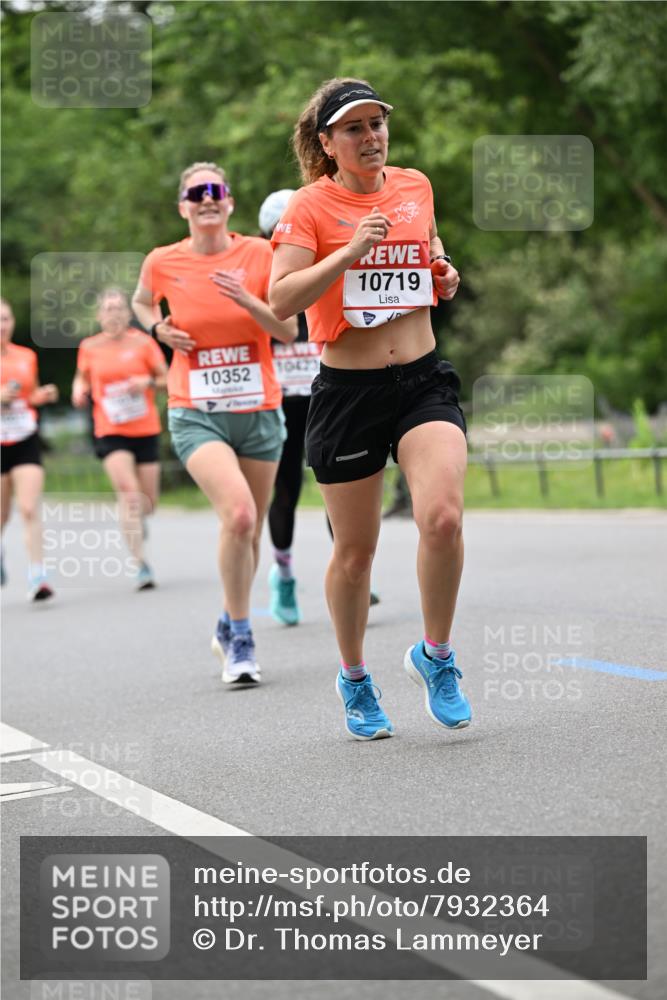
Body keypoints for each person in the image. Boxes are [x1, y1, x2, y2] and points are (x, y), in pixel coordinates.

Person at [269, 78, 471, 740]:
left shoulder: (415, 186)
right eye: (353, 128)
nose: (370, 136)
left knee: (442, 517)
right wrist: (349, 251)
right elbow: (281, 300)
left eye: (376, 122)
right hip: (348, 393)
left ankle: (436, 655)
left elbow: (431, 249)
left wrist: (443, 271)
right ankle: (354, 677)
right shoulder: (309, 206)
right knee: (355, 554)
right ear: (327, 143)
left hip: (421, 380)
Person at [132, 162, 297, 685]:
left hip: (259, 410)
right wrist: (157, 329)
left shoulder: (259, 254)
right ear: (183, 206)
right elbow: (141, 301)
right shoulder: (163, 261)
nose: (206, 198)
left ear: (229, 202)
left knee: (248, 531)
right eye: (195, 192)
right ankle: (243, 638)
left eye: (215, 190)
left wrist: (248, 300)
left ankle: (228, 620)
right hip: (196, 411)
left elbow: (289, 330)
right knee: (241, 515)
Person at [72, 287, 168, 590]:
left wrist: (147, 381)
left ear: (128, 314)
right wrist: (78, 390)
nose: (113, 314)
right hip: (110, 429)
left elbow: (167, 379)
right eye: (107, 309)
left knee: (148, 502)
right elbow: (82, 377)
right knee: (129, 494)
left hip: (145, 428)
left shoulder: (144, 343)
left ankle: (138, 522)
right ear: (99, 315)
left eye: (118, 308)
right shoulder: (89, 347)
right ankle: (141, 564)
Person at [259, 189, 321, 626]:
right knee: (286, 492)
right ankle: (283, 575)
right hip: (278, 405)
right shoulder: (261, 286)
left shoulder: (324, 273)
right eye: (277, 236)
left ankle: (355, 570)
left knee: (344, 487)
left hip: (324, 397)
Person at [1, 297, 59, 600]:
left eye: (5, 318)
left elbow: (31, 394)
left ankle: (38, 575)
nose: (2, 325)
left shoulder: (26, 356)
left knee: (28, 507)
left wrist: (42, 395)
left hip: (24, 437)